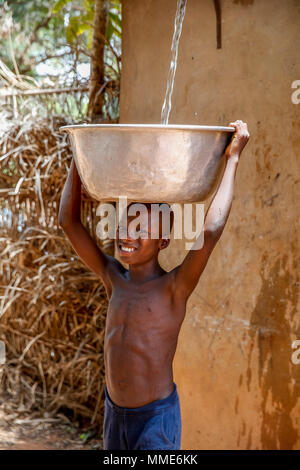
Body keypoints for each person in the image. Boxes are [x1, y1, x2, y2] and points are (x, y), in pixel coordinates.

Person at [58, 120, 250, 450]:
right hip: (114, 414)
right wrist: (82, 155)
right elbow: (68, 223)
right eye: (124, 223)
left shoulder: (174, 289)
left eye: (139, 228)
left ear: (162, 241)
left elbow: (210, 231)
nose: (126, 234)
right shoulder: (113, 278)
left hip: (154, 420)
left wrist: (232, 158)